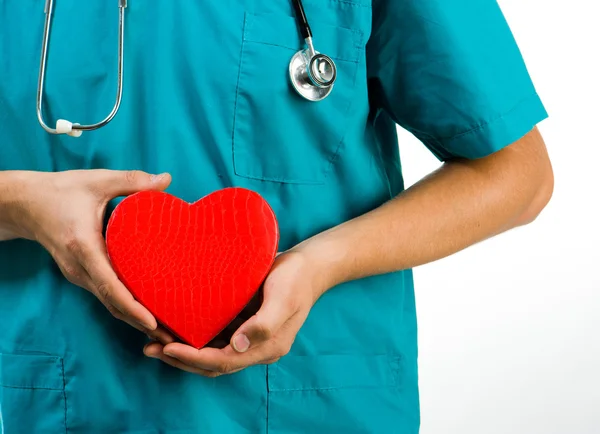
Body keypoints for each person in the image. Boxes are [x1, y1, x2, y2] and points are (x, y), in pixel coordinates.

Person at [0, 0, 553, 432]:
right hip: (69, 402)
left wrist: (320, 263)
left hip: (312, 404)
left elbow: (517, 175)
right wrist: (20, 205)